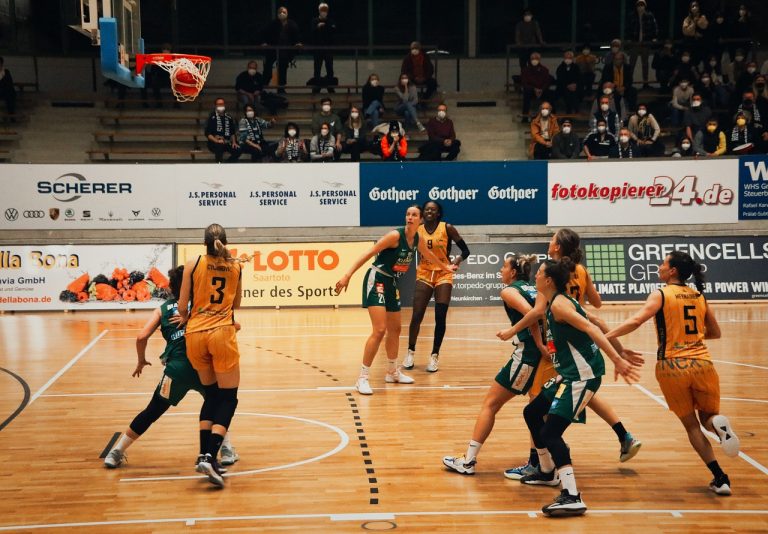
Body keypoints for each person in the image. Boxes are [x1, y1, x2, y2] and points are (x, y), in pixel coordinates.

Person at [502, 229, 644, 480]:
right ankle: (623, 434)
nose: (549, 242)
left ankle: (541, 461)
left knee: (538, 403)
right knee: (584, 392)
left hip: (558, 343)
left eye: (552, 239)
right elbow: (597, 306)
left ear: (557, 247)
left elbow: (537, 312)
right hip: (579, 339)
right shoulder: (580, 271)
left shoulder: (551, 279)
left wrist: (513, 330)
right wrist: (618, 349)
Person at [606, 251, 740, 495]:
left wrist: (606, 337)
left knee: (691, 426)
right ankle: (719, 438)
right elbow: (715, 333)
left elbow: (636, 321)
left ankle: (720, 475)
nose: (659, 267)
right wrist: (693, 338)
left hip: (672, 366)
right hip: (703, 364)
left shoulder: (661, 294)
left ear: (673, 271)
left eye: (663, 264)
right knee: (708, 419)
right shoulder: (699, 296)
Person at [517, 258, 641, 517]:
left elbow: (590, 327)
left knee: (551, 432)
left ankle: (572, 495)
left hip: (581, 376)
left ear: (548, 280)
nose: (535, 277)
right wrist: (620, 348)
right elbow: (597, 319)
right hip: (569, 373)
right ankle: (547, 471)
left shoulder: (560, 305)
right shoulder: (560, 301)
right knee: (532, 412)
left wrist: (617, 359)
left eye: (539, 273)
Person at [103, 266, 239, 470]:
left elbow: (141, 337)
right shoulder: (205, 306)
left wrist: (141, 360)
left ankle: (116, 452)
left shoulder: (162, 309)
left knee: (152, 411)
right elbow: (235, 326)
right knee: (218, 405)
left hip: (176, 371)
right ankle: (226, 450)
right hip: (203, 368)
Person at [334, 205, 458, 395]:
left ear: (421, 220)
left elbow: (429, 255)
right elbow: (369, 253)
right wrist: (347, 275)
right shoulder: (395, 236)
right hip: (377, 278)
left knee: (396, 329)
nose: (410, 217)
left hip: (391, 282)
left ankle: (392, 371)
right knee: (380, 330)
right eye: (408, 214)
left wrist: (446, 267)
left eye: (414, 215)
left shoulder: (417, 239)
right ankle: (362, 378)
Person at [442, 255, 547, 475]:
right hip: (543, 356)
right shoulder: (535, 290)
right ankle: (540, 462)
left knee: (490, 404)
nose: (500, 270)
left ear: (514, 272)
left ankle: (468, 461)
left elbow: (532, 315)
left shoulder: (509, 291)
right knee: (537, 409)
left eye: (504, 267)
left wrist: (528, 339)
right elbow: (542, 315)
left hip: (527, 355)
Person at [177, 224, 245, 488]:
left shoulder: (193, 262)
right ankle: (209, 454)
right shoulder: (237, 266)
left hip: (194, 335)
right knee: (228, 398)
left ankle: (204, 456)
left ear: (204, 242)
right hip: (221, 333)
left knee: (212, 395)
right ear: (225, 242)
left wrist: (187, 315)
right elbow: (236, 304)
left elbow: (183, 306)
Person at [404, 201, 470, 373]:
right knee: (417, 314)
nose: (429, 212)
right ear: (423, 213)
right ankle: (410, 351)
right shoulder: (417, 229)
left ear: (439, 213)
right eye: (426, 210)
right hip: (424, 272)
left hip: (444, 273)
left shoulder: (447, 228)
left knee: (440, 317)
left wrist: (456, 261)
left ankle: (434, 356)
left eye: (433, 210)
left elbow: (465, 251)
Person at [261, 6, 301, 93]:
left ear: (287, 14)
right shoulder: (273, 24)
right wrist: (264, 42)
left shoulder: (292, 24)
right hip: (273, 50)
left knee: (282, 69)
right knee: (268, 68)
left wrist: (297, 43)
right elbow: (264, 33)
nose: (282, 14)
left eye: (284, 12)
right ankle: (263, 86)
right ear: (277, 14)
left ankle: (281, 88)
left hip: (285, 51)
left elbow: (296, 36)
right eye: (280, 12)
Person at [627, 0, 658, 88]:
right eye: (639, 6)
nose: (640, 7)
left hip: (645, 43)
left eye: (642, 5)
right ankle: (629, 83)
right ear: (636, 7)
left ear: (645, 6)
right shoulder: (632, 16)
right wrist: (629, 38)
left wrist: (654, 37)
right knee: (632, 64)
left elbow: (654, 27)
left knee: (645, 64)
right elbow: (628, 28)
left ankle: (645, 83)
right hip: (634, 43)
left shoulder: (649, 15)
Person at [310, 3, 336, 93]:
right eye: (322, 11)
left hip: (328, 49)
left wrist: (326, 26)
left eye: (325, 11)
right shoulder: (314, 21)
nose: (324, 13)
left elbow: (334, 31)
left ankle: (330, 86)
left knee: (330, 68)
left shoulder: (330, 21)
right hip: (317, 49)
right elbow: (311, 33)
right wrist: (317, 27)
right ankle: (316, 87)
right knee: (317, 68)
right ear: (319, 11)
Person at [205, 98, 241, 163]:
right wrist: (216, 140)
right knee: (219, 146)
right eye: (219, 104)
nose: (220, 105)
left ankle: (226, 165)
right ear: (215, 106)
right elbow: (208, 133)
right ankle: (219, 166)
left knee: (238, 149)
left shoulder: (229, 117)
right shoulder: (211, 117)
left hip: (226, 142)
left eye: (222, 104)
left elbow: (232, 132)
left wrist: (234, 142)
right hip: (214, 142)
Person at [521, 52, 554, 122]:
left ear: (539, 59)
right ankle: (525, 117)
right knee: (526, 93)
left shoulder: (544, 70)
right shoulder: (525, 70)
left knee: (550, 94)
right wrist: (534, 89)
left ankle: (551, 116)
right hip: (531, 90)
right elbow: (524, 83)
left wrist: (541, 89)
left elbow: (547, 82)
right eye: (532, 58)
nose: (534, 60)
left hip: (542, 90)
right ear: (530, 59)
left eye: (536, 58)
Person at [682, 2, 708, 67]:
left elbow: (704, 26)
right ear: (690, 8)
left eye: (696, 6)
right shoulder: (687, 19)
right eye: (693, 6)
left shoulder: (703, 17)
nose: (694, 8)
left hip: (701, 44)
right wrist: (693, 23)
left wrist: (698, 21)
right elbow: (685, 31)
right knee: (691, 64)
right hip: (690, 44)